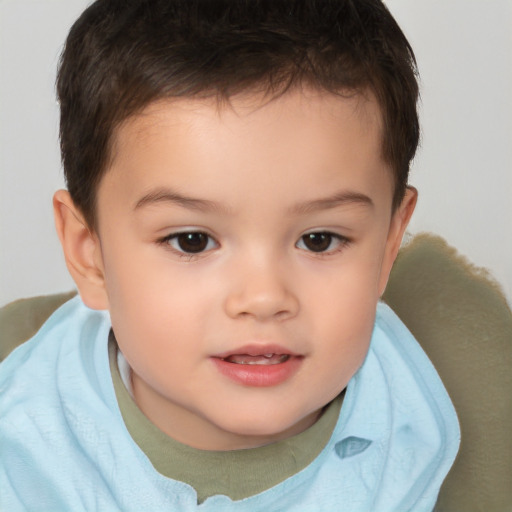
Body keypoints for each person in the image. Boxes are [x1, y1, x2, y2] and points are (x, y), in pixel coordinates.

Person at [0, 1, 460, 510]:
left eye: (319, 240)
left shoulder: (458, 391)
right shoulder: (24, 434)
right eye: (192, 240)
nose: (263, 298)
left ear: (390, 244)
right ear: (91, 256)